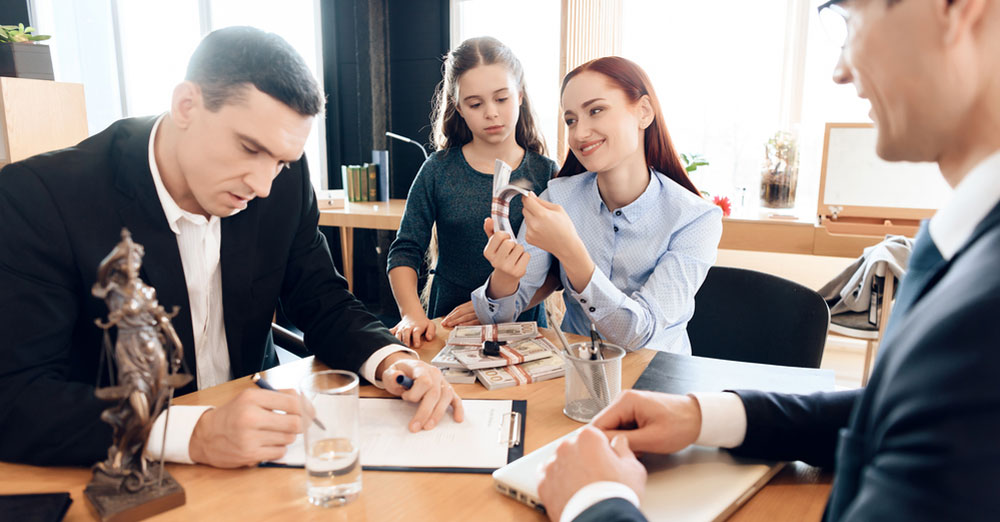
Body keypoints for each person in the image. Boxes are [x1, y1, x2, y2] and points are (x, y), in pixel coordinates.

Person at [538, 0, 1000, 520]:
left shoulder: (986, 303)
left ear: (957, 9)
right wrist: (707, 416)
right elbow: (893, 411)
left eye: (853, 17)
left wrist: (595, 500)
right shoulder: (961, 239)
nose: (841, 70)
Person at [0, 26, 463, 469]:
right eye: (248, 147)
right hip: (120, 470)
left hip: (261, 457)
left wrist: (393, 361)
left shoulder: (282, 183)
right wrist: (193, 432)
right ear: (186, 105)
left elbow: (323, 300)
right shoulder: (40, 199)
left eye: (281, 162)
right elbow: (17, 398)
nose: (262, 186)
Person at [471, 56, 722, 353]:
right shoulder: (557, 197)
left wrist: (571, 252)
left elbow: (638, 336)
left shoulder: (696, 219)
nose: (579, 133)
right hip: (576, 376)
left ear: (643, 112)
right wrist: (506, 276)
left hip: (656, 381)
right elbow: (497, 318)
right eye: (571, 120)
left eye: (596, 110)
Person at [386, 36, 557, 348]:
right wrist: (410, 314)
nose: (491, 113)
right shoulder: (438, 170)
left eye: (501, 99)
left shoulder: (546, 173)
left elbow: (556, 271)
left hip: (523, 326)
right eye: (476, 104)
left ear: (519, 96)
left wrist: (494, 307)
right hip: (448, 322)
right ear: (459, 108)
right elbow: (405, 249)